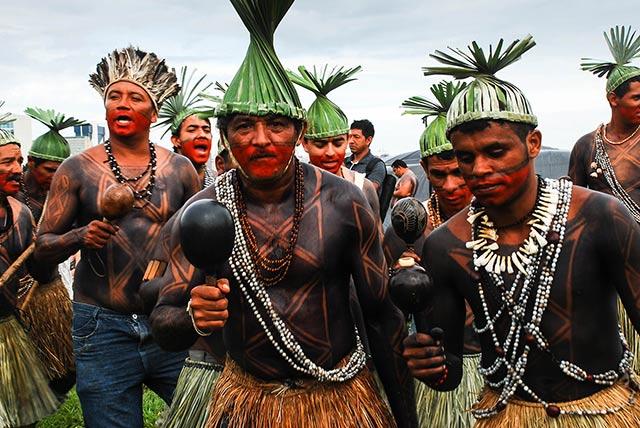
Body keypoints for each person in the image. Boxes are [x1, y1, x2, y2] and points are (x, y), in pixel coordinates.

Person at [149, 1, 417, 427]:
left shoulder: (344, 204)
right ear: (226, 134)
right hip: (248, 401)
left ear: (299, 132)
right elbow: (162, 322)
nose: (260, 140)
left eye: (276, 124)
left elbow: (382, 317)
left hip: (337, 400)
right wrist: (194, 317)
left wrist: (406, 420)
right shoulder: (202, 211)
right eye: (243, 127)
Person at [403, 35, 640, 428]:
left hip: (609, 410)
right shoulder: (446, 245)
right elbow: (451, 377)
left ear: (533, 143)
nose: (478, 169)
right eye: (466, 157)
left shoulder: (600, 218)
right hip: (506, 413)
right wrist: (431, 367)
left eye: (495, 152)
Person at [34, 46, 201, 428]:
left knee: (209, 417)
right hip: (101, 325)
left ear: (154, 113)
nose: (122, 104)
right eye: (114, 96)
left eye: (135, 97)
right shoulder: (75, 169)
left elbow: (198, 241)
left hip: (168, 318)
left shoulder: (181, 170)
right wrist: (80, 234)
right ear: (105, 107)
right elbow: (41, 248)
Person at [384, 80, 478, 428]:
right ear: (424, 169)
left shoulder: (506, 225)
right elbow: (388, 319)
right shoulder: (405, 232)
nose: (451, 185)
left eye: (459, 171)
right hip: (436, 383)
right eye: (439, 174)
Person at [570, 25, 640, 370]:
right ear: (613, 98)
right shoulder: (586, 146)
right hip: (603, 267)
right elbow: (572, 207)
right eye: (637, 97)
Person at [15, 107, 84, 397]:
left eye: (60, 172)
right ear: (31, 162)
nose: (55, 177)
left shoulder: (63, 194)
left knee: (64, 369)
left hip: (51, 289)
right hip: (14, 293)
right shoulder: (13, 195)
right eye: (49, 171)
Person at [0, 121, 59, 427]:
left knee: (21, 420)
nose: (15, 169)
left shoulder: (20, 213)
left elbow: (39, 274)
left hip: (10, 329)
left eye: (18, 161)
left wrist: (48, 248)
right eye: (6, 162)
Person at [289, 64, 379, 215]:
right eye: (320, 144)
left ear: (347, 140)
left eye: (338, 143)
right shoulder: (292, 190)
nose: (330, 152)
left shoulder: (362, 187)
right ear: (304, 143)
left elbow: (377, 236)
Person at [157, 66, 216, 188]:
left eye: (206, 130)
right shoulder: (161, 180)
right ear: (176, 140)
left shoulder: (218, 182)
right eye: (192, 129)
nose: (202, 135)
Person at [344, 118, 386, 192]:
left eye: (356, 137)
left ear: (368, 140)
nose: (351, 141)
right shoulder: (345, 162)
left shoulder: (376, 165)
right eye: (350, 137)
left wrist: (344, 171)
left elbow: (369, 191)